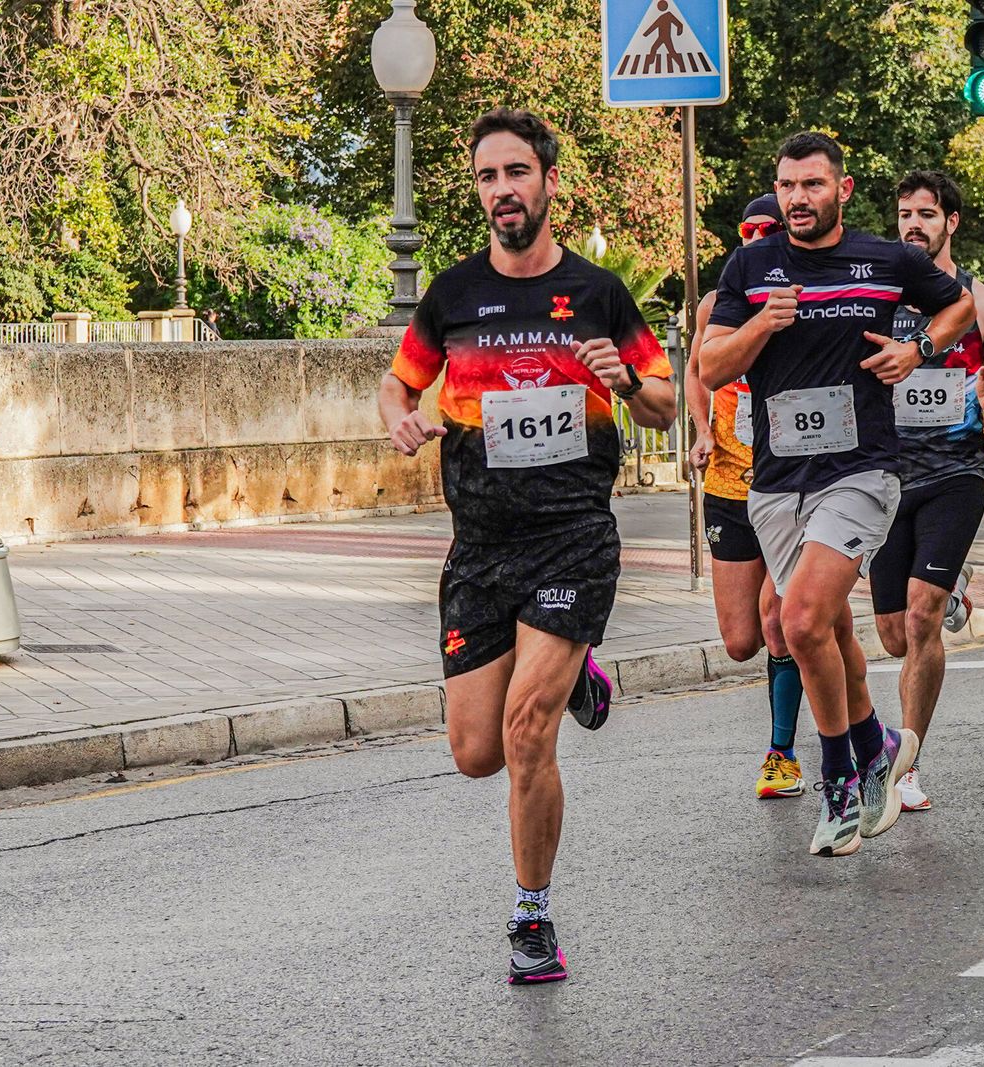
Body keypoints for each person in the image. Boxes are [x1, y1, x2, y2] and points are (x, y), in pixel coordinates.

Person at [377, 108, 675, 982]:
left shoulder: (597, 294)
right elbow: (398, 382)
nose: (502, 190)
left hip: (572, 538)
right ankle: (578, 670)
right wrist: (398, 418)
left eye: (516, 173)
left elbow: (664, 399)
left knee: (525, 729)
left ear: (548, 181)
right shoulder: (455, 295)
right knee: (475, 752)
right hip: (480, 545)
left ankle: (532, 917)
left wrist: (628, 382)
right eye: (486, 177)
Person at [699, 131, 975, 857]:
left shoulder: (885, 259)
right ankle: (877, 741)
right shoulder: (751, 266)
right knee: (828, 634)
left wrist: (918, 350)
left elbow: (960, 309)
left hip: (861, 472)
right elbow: (708, 364)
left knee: (800, 620)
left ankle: (839, 780)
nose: (797, 199)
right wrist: (762, 319)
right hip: (776, 483)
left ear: (841, 190)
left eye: (812, 186)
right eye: (787, 186)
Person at [869, 169, 984, 812]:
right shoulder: (876, 299)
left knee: (919, 616)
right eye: (905, 214)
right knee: (889, 635)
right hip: (883, 481)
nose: (914, 224)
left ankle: (908, 764)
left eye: (927, 214)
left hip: (955, 476)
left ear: (950, 223)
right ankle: (955, 587)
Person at [686, 193, 809, 799]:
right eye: (748, 231)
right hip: (730, 483)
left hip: (790, 484)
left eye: (770, 230)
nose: (757, 238)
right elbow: (694, 371)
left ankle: (782, 752)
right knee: (741, 642)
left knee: (777, 619)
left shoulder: (803, 300)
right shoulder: (719, 303)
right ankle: (818, 640)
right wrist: (703, 430)